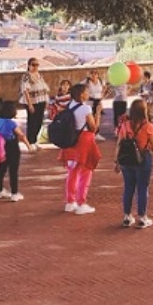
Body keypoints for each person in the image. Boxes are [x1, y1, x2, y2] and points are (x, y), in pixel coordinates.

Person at [116, 99, 153, 228]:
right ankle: (142, 217)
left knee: (128, 187)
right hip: (143, 159)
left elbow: (119, 144)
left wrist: (116, 161)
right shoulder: (148, 126)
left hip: (126, 159)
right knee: (142, 188)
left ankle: (127, 216)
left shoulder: (125, 125)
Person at [58, 84, 101, 215]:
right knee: (86, 171)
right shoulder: (85, 108)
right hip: (84, 141)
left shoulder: (70, 105)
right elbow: (93, 128)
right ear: (81, 94)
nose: (88, 93)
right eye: (86, 91)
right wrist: (98, 114)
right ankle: (81, 203)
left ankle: (70, 202)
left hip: (71, 140)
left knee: (72, 172)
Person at [0, 101, 37, 201]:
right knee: (13, 171)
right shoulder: (11, 123)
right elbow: (21, 135)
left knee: (1, 169)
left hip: (1, 147)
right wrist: (28, 146)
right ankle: (14, 193)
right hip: (12, 146)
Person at [20, 58, 50, 145]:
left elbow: (44, 89)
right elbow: (25, 90)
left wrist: (46, 101)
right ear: (29, 65)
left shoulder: (39, 75)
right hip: (32, 101)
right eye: (33, 65)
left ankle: (35, 139)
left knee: (39, 121)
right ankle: (31, 141)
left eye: (37, 65)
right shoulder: (26, 76)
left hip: (41, 100)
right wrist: (30, 104)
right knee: (32, 121)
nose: (35, 67)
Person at [81, 70, 107, 139]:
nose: (93, 75)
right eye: (92, 73)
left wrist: (102, 95)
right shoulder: (86, 81)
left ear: (98, 75)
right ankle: (89, 133)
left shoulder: (101, 81)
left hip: (98, 101)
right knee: (90, 118)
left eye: (95, 73)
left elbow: (104, 88)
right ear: (89, 75)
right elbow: (79, 87)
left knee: (97, 117)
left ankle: (96, 133)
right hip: (89, 102)